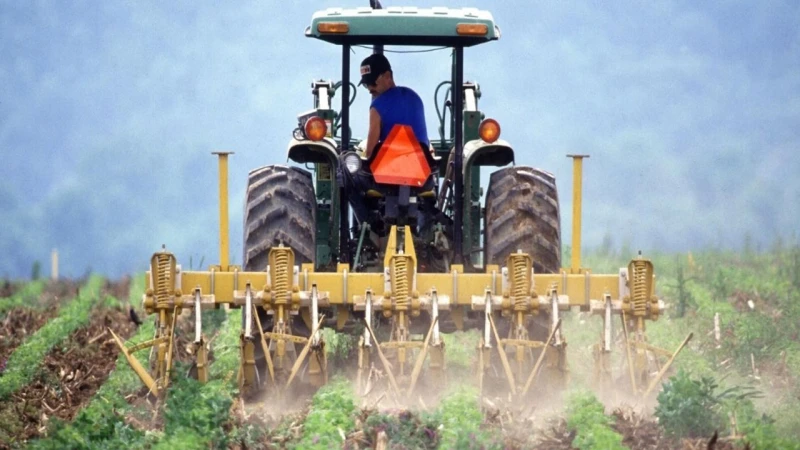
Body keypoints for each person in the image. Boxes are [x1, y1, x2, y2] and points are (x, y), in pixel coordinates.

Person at [358, 53, 429, 157]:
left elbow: (370, 153)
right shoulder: (415, 97)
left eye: (373, 83)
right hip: (423, 168)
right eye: (366, 85)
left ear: (388, 76)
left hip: (391, 169)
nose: (370, 89)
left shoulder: (377, 107)